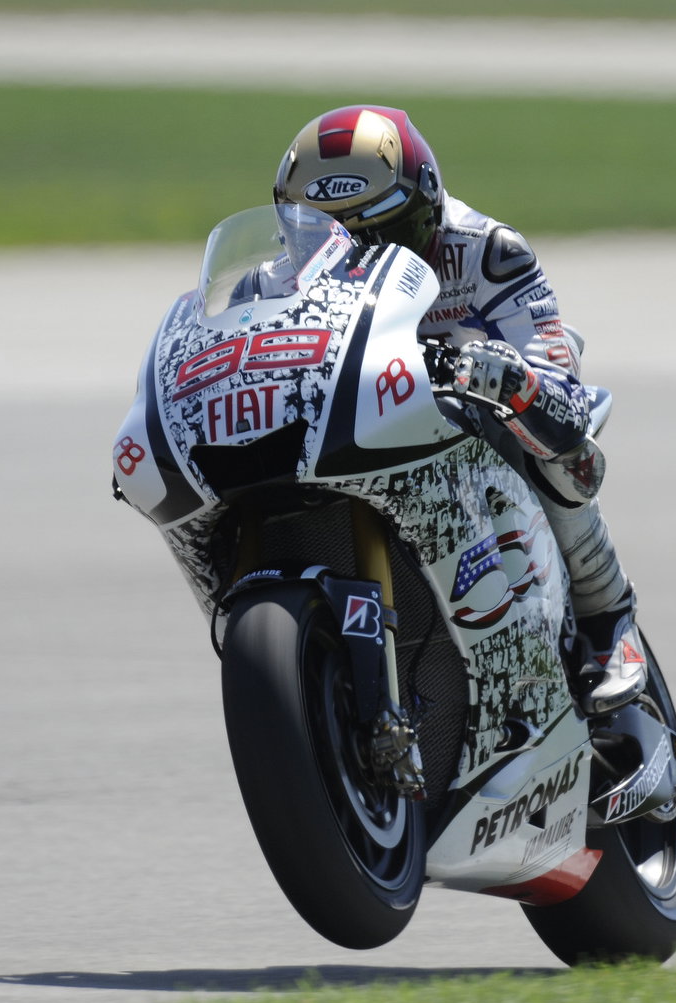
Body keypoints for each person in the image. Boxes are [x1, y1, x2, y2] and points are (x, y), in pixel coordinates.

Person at [272, 104, 646, 715]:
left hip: (469, 422)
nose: (352, 261)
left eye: (378, 236)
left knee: (560, 450)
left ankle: (608, 617)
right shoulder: (278, 278)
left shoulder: (488, 252)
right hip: (361, 422)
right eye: (323, 238)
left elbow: (566, 400)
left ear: (426, 209)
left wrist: (509, 380)